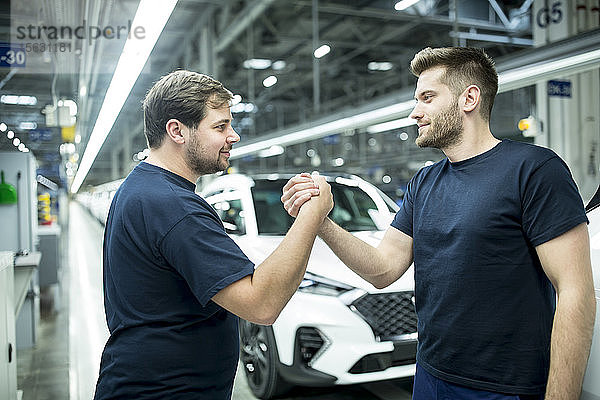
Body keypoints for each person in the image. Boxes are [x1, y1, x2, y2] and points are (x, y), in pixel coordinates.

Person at [281, 47, 596, 399]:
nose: (415, 112)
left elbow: (575, 291)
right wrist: (322, 221)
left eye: (427, 97)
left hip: (505, 388)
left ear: (469, 98)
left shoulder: (534, 169)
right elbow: (383, 270)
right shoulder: (424, 182)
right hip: (430, 374)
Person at [93, 70, 333, 400]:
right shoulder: (174, 205)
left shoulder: (140, 188)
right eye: (220, 126)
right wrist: (312, 215)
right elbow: (261, 305)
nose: (233, 136)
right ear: (176, 130)